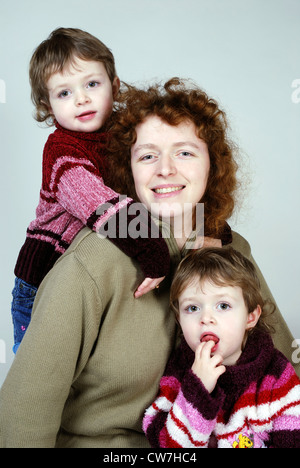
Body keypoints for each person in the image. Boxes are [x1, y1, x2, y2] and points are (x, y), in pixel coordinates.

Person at [0, 78, 299, 448]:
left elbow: (286, 367)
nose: (165, 170)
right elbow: (25, 408)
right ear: (127, 172)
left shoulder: (231, 251)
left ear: (213, 165)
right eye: (147, 155)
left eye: (185, 153)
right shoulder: (93, 261)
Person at [11, 27, 169, 353]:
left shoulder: (125, 134)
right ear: (48, 104)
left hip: (91, 276)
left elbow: (164, 184)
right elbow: (101, 207)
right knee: (43, 374)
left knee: (92, 370)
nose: (81, 99)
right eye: (64, 93)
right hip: (42, 280)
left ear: (115, 86)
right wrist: (153, 250)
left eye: (92, 84)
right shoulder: (61, 151)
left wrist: (205, 226)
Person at [143, 247, 300, 448]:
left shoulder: (276, 376)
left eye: (223, 306)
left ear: (250, 317)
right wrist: (197, 390)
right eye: (192, 308)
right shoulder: (180, 372)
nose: (206, 318)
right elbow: (167, 446)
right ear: (179, 319)